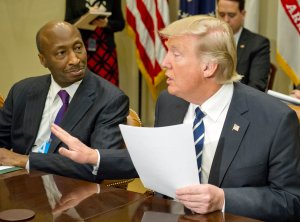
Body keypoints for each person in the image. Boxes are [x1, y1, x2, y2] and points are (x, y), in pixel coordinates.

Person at [51, 15, 300, 221]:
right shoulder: (170, 103)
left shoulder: (274, 119)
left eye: (176, 54)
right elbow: (157, 159)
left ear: (208, 67)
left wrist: (223, 198)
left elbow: (290, 201)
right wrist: (94, 156)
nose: (165, 62)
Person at [0, 20, 130, 182]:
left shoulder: (110, 99)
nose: (75, 60)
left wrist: (25, 160)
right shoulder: (22, 91)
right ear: (43, 60)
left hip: (73, 194)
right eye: (61, 53)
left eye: (78, 48)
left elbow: (96, 165)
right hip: (20, 189)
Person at [65, 0, 125, 86]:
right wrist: (83, 19)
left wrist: (107, 23)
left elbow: (120, 24)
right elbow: (67, 22)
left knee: (108, 87)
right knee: (84, 86)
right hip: (81, 49)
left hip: (106, 49)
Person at [216, 0, 270, 92]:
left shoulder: (258, 44)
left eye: (231, 15)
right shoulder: (206, 39)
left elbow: (256, 87)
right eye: (221, 14)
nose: (226, 20)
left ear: (243, 14)